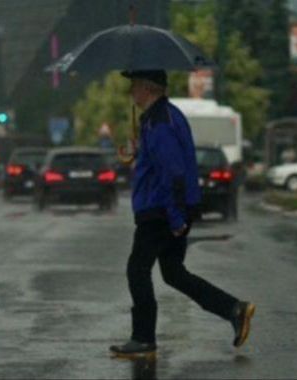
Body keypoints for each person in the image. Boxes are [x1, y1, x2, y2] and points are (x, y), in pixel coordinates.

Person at [109, 70, 255, 358]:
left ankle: (143, 338)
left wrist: (176, 218)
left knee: (137, 269)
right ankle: (234, 309)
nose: (131, 94)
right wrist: (140, 150)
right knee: (174, 273)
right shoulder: (159, 118)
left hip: (160, 211)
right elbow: (164, 163)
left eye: (134, 87)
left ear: (148, 89)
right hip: (167, 208)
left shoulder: (161, 122)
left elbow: (174, 173)